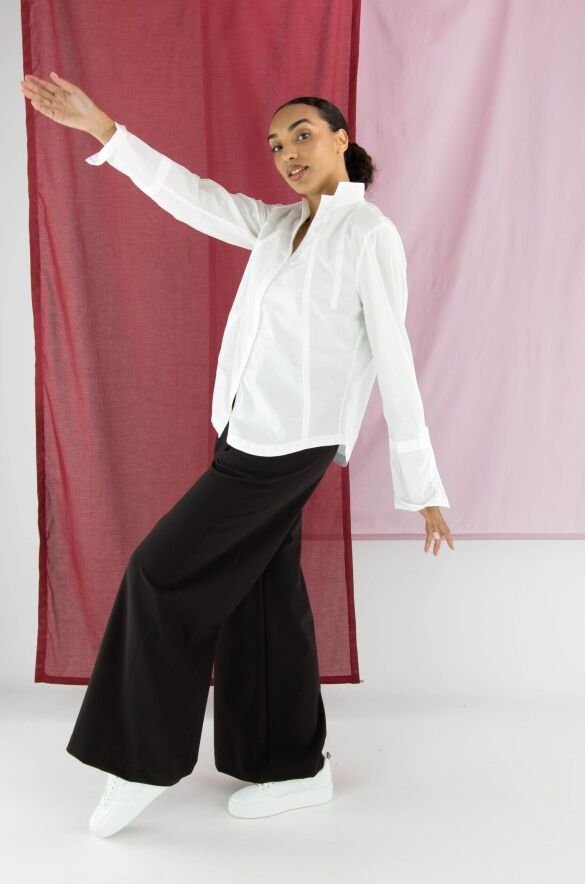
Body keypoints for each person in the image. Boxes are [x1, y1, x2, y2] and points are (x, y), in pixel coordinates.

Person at [19, 71, 455, 837]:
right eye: (276, 144)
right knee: (261, 600)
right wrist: (103, 130)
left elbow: (393, 355)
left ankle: (137, 762)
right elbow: (190, 196)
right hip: (243, 434)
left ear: (341, 140)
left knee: (159, 573)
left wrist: (422, 484)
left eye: (302, 136)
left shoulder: (367, 234)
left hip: (290, 447)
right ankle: (292, 766)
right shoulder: (278, 226)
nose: (287, 153)